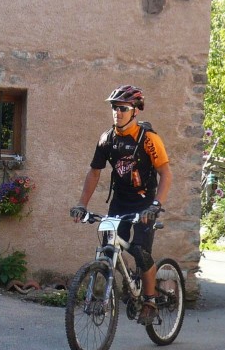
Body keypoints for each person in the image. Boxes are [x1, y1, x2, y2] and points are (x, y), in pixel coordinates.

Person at [70, 85, 172, 325]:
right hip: (120, 201)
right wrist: (81, 204)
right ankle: (127, 282)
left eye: (123, 108)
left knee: (140, 251)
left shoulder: (148, 139)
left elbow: (166, 174)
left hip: (145, 202)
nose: (117, 112)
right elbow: (94, 172)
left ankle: (150, 300)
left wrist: (156, 205)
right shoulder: (107, 139)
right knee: (108, 247)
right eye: (114, 108)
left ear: (135, 111)